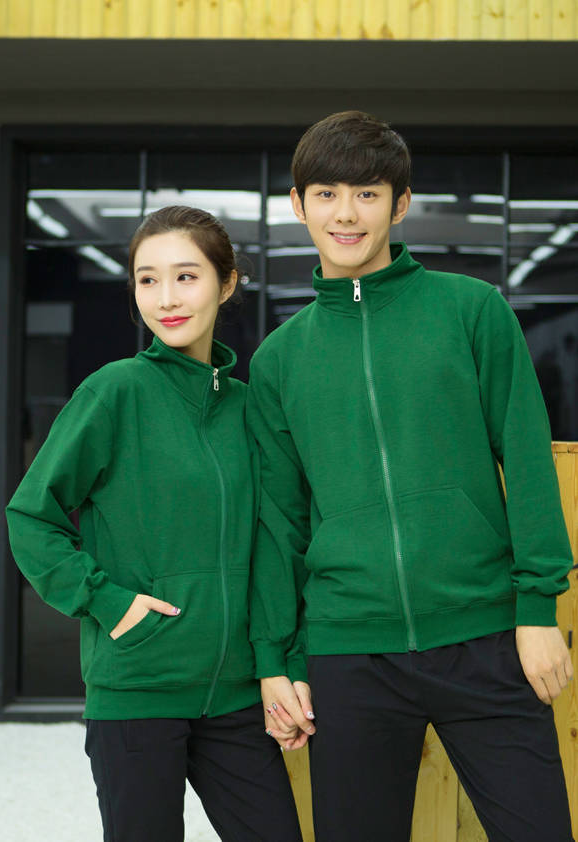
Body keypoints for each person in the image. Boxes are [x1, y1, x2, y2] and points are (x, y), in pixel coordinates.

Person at [247, 111, 575, 841]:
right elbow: (280, 523)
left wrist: (535, 609)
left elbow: (526, 459)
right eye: (326, 194)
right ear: (298, 205)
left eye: (367, 194)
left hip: (486, 634)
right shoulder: (278, 360)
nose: (346, 214)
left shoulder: (472, 312)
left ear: (399, 205)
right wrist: (276, 659)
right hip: (348, 652)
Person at [6, 206, 302, 842]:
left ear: (227, 284)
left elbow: (275, 544)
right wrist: (107, 602)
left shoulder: (249, 408)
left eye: (186, 277)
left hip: (236, 694)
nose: (165, 298)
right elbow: (32, 516)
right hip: (137, 688)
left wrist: (278, 661)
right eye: (147, 279)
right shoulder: (113, 393)